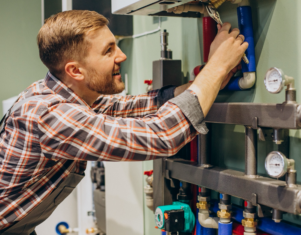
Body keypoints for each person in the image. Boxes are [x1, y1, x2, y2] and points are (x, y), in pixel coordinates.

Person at [0, 10, 247, 235]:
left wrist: (203, 82)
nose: (122, 55)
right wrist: (216, 67)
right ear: (75, 71)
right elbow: (162, 136)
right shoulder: (49, 115)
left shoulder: (63, 93)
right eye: (108, 50)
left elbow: (127, 107)